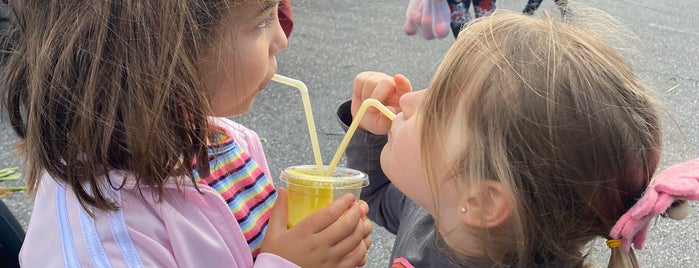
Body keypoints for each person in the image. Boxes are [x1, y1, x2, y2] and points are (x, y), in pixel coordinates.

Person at [0, 1, 371, 267]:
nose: (282, 38)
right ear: (163, 52)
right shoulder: (104, 241)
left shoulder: (227, 142)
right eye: (261, 20)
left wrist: (321, 246)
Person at [337, 9, 698, 267]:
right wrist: (369, 132)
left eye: (436, 108)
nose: (411, 99)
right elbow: (379, 195)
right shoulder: (441, 202)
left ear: (483, 202)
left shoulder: (445, 201)